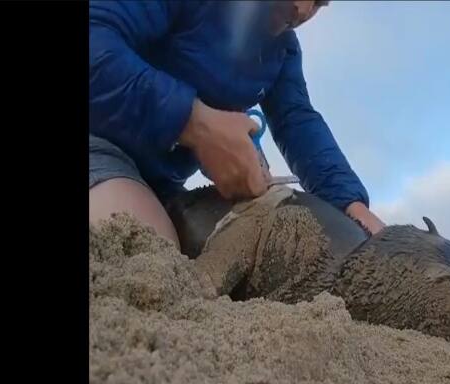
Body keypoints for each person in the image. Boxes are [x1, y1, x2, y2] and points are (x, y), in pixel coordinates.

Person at [89, 0, 386, 248]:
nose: (302, 9)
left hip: (164, 186)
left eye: (319, 2)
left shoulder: (283, 51)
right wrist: (195, 123)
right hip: (98, 143)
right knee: (144, 252)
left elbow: (298, 121)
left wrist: (353, 206)